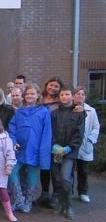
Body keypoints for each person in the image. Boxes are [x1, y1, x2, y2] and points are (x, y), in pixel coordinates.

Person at [8, 83, 52, 213]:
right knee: (12, 172)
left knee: (32, 176)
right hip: (20, 149)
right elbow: (12, 128)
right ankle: (18, 199)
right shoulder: (19, 111)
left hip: (35, 149)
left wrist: (43, 150)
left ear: (38, 95)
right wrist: (13, 142)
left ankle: (28, 201)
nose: (29, 96)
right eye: (27, 94)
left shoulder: (44, 112)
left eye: (32, 93)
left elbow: (46, 133)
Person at [51, 86, 85, 220]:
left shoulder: (78, 113)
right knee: (57, 179)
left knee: (66, 179)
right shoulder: (54, 113)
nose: (64, 97)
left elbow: (79, 134)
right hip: (55, 151)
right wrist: (54, 145)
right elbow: (50, 131)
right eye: (62, 95)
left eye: (67, 94)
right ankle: (60, 203)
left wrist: (69, 148)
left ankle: (69, 206)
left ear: (72, 96)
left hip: (69, 153)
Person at [38, 76, 64, 208]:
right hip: (42, 138)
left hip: (56, 140)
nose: (53, 88)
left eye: (56, 86)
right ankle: (44, 193)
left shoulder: (61, 103)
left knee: (55, 168)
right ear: (46, 85)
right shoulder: (39, 100)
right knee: (44, 168)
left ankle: (56, 195)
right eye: (51, 85)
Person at [73, 86, 100, 203]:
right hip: (71, 146)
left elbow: (96, 127)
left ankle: (83, 192)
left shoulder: (91, 111)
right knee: (68, 171)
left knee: (83, 171)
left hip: (84, 145)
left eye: (82, 94)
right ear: (73, 96)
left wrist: (90, 140)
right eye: (77, 94)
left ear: (85, 97)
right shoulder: (69, 109)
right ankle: (69, 192)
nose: (80, 96)